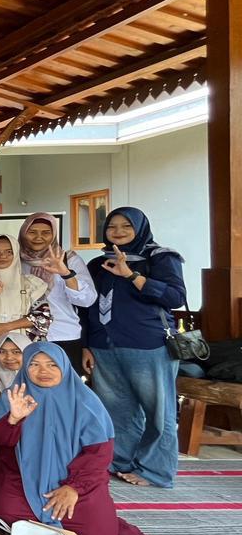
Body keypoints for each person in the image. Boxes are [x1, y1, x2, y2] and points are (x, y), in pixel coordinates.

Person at [0, 343, 180, 535]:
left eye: (52, 364)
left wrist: (73, 488)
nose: (43, 371)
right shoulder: (14, 396)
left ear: (64, 367)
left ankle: (83, 521)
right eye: (34, 364)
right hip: (22, 480)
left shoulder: (86, 402)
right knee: (4, 514)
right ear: (25, 368)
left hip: (76, 482)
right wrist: (13, 419)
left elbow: (99, 454)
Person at [81, 207, 186, 489]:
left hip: (148, 346)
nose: (117, 231)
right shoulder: (97, 264)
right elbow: (88, 307)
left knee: (158, 412)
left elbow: (175, 296)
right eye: (111, 226)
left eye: (125, 226)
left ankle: (155, 471)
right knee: (117, 410)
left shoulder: (160, 257)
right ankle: (121, 461)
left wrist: (131, 275)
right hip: (105, 347)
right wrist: (87, 345)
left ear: (139, 228)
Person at [19, 212, 97, 374]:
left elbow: (87, 300)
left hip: (63, 335)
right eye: (32, 232)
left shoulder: (68, 259)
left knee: (65, 391)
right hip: (24, 337)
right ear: (23, 233)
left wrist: (65, 273)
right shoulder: (14, 261)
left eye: (46, 232)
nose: (38, 237)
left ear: (54, 234)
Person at [0, 234, 50, 368]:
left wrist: (5, 327)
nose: (2, 256)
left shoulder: (30, 284)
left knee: (22, 387)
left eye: (9, 252)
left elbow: (43, 318)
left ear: (16, 254)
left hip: (23, 355)